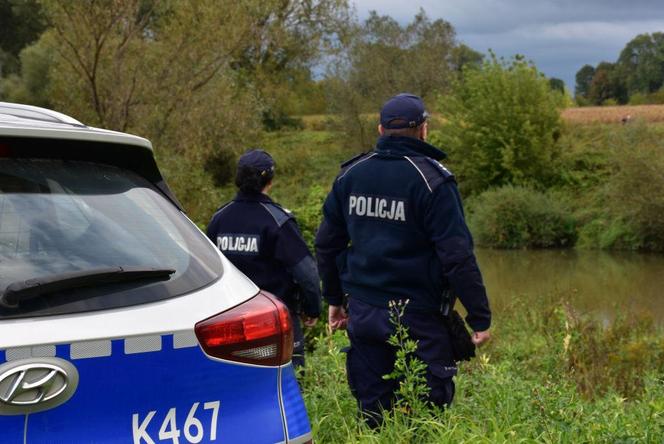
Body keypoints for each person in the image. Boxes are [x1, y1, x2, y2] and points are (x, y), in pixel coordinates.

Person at [315, 93, 491, 426]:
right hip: (419, 316)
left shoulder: (350, 175)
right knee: (426, 414)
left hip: (363, 311)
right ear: (424, 130)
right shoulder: (434, 181)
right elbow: (456, 257)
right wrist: (479, 316)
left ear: (380, 129)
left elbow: (326, 245)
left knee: (373, 413)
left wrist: (335, 300)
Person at [206, 149, 321, 368]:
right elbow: (307, 272)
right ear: (270, 180)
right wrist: (313, 308)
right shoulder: (278, 221)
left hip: (227, 322)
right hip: (275, 319)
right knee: (289, 383)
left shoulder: (218, 219)